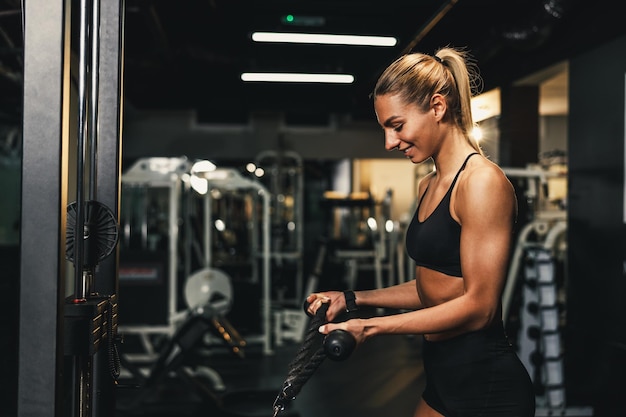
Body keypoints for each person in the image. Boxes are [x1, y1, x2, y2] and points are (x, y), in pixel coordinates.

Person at [305, 46, 536, 417]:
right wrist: (352, 299)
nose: (389, 142)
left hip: (486, 387)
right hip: (442, 377)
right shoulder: (428, 185)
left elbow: (480, 306)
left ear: (438, 107)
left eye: (397, 126)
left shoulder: (480, 183)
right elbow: (434, 287)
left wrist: (370, 328)